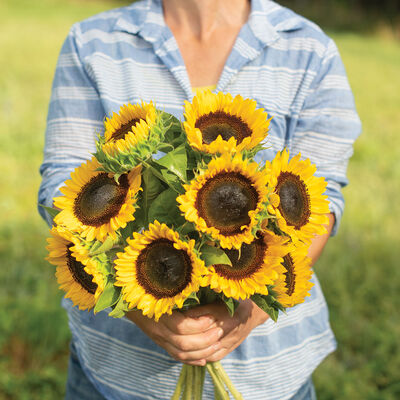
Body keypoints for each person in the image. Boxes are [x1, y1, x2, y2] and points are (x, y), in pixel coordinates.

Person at [38, 0, 361, 399]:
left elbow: (321, 199)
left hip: (268, 376)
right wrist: (144, 307)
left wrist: (251, 311)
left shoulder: (309, 48)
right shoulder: (92, 41)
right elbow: (61, 185)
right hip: (118, 375)